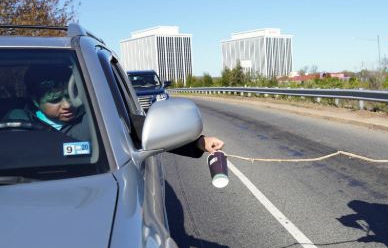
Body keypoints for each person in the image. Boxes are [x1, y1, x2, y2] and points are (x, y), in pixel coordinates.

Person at [2, 66, 224, 155]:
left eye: (71, 95)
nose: (67, 105)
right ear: (34, 99)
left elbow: (142, 129)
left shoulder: (98, 118)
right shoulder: (13, 126)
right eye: (55, 99)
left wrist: (198, 142)